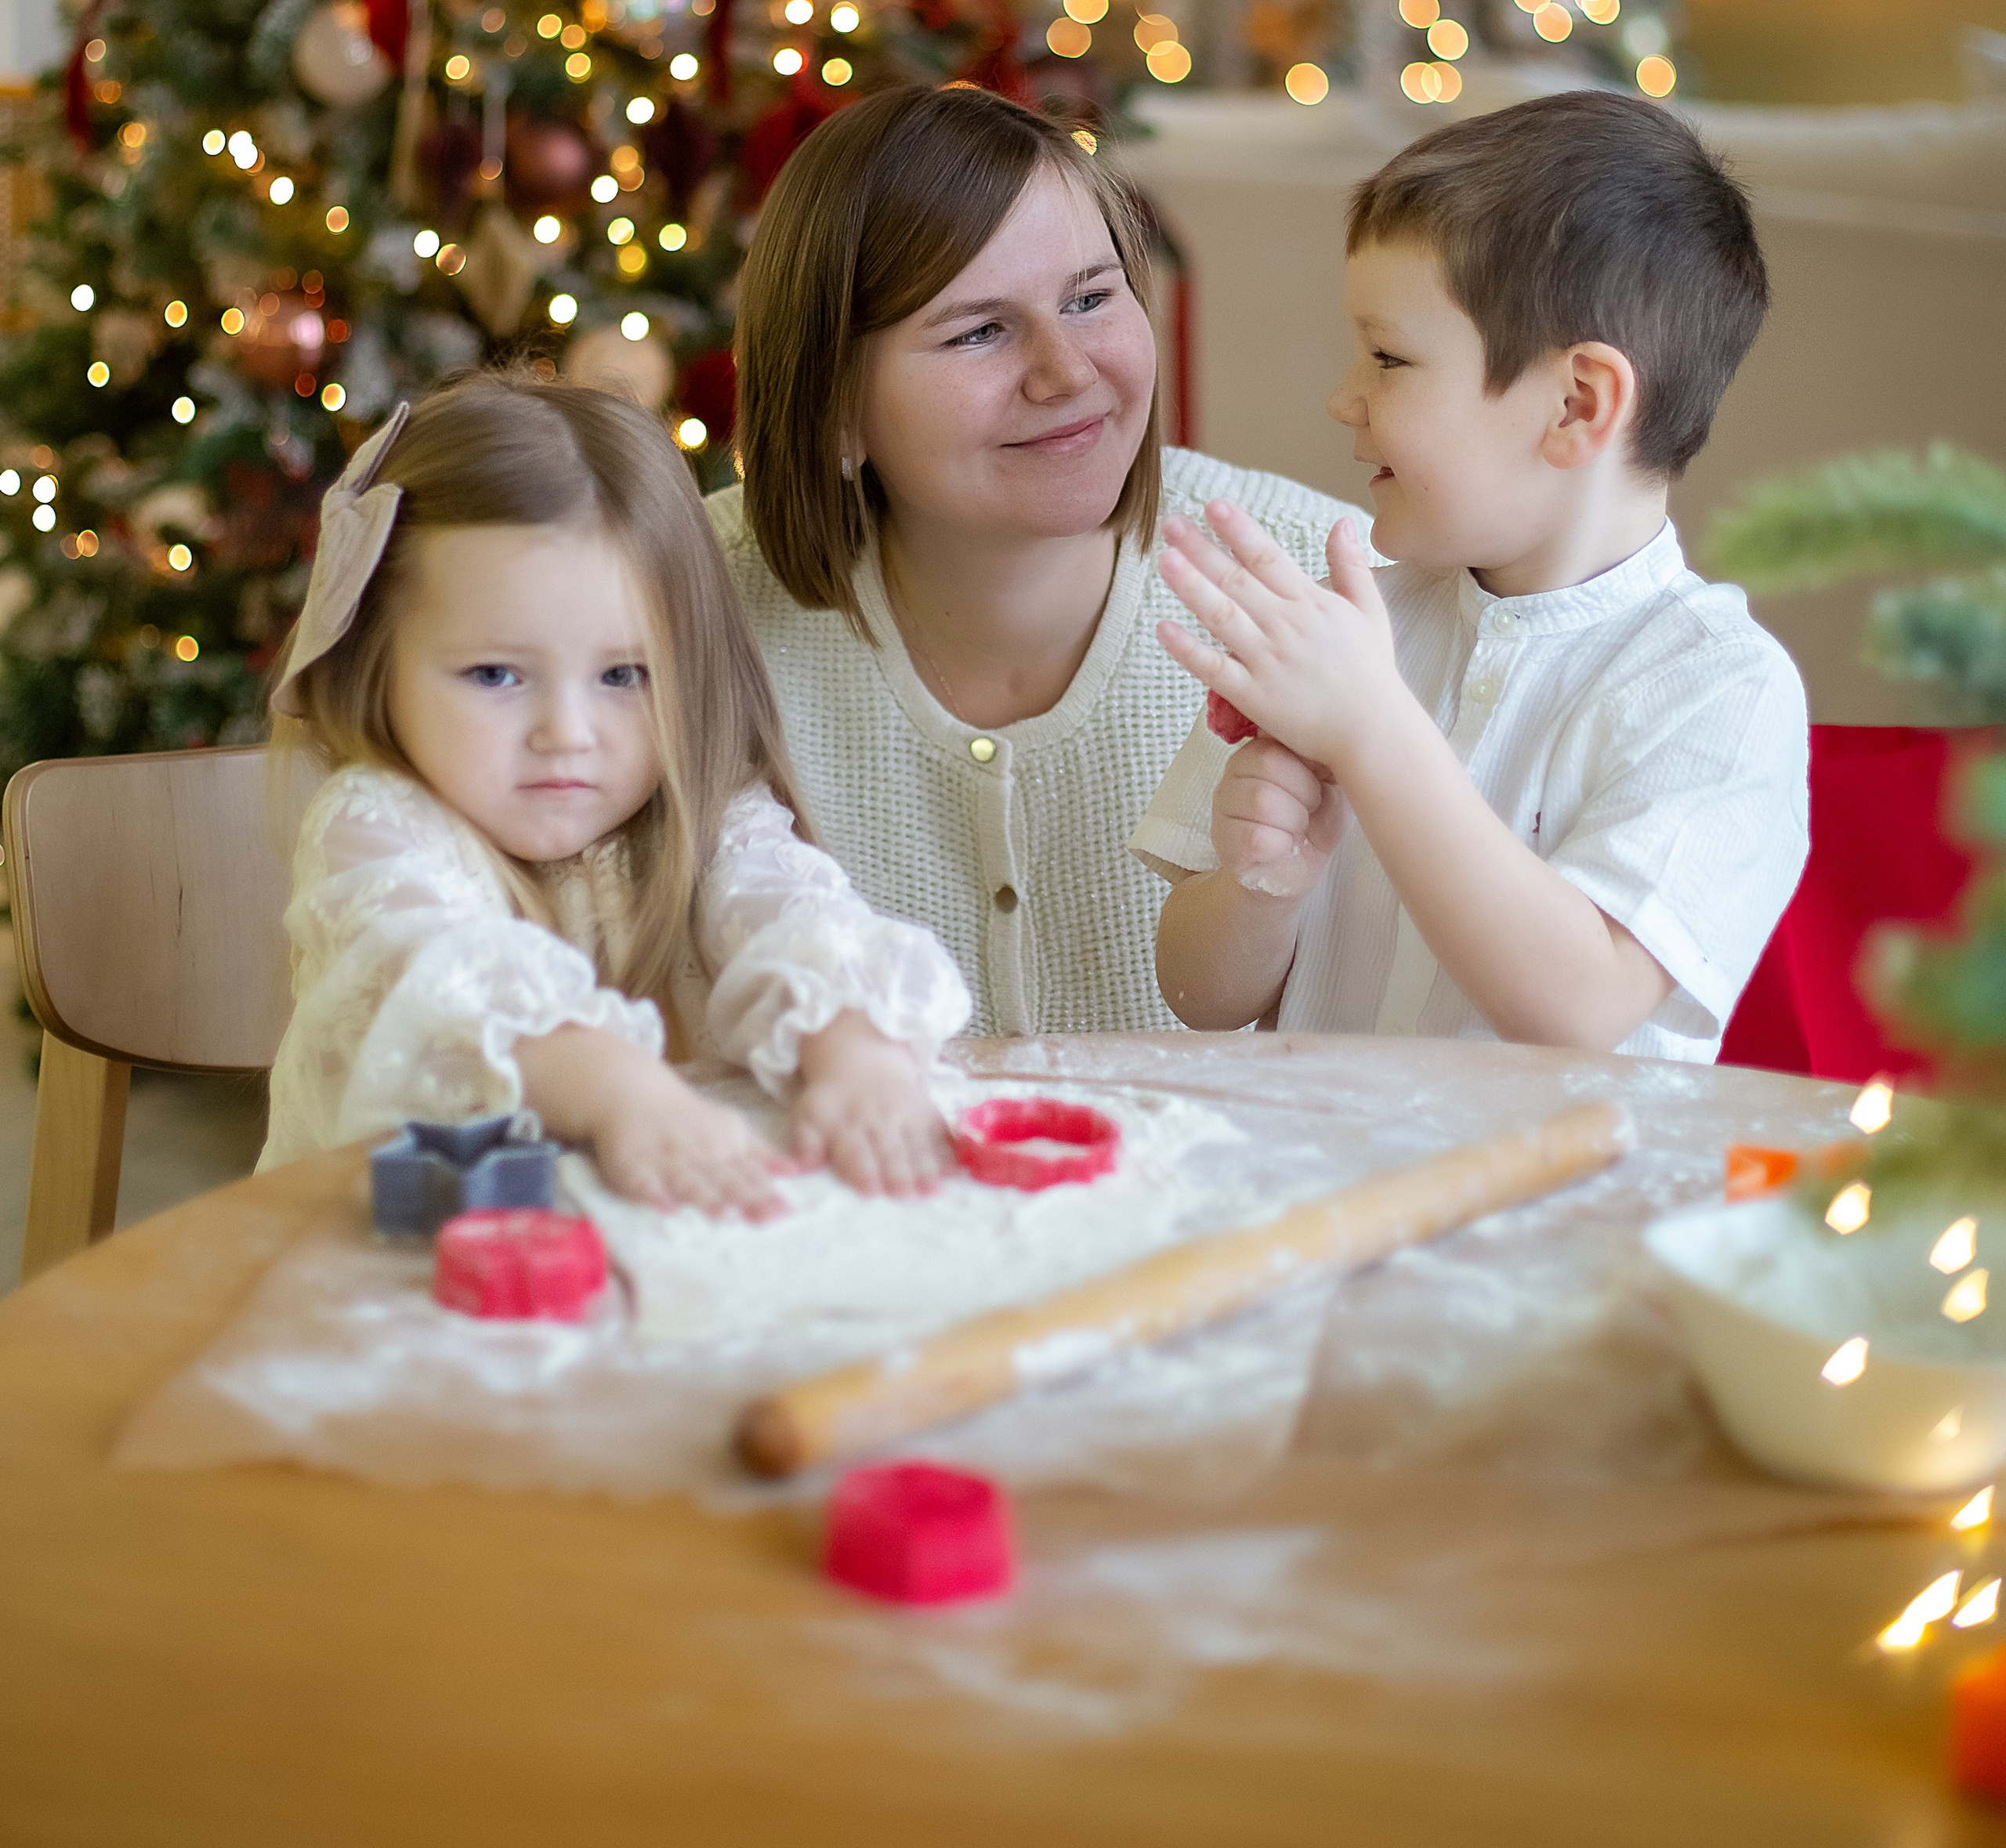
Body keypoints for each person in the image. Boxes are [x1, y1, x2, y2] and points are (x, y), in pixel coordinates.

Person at [1137, 92, 1809, 1061]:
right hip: (1320, 1189)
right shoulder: (1353, 632)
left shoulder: (1717, 692)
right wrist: (1258, 881)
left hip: (1559, 1212)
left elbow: (1580, 1009)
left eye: (1389, 358)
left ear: (1575, 404)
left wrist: (1373, 733)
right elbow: (1201, 996)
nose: (1343, 398)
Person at [716, 85, 1366, 1039]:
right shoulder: (681, 600)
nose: (1067, 373)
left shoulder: (1331, 585)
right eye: (979, 331)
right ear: (833, 404)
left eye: (1092, 298)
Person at [259, 372, 968, 1209]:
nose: (567, 732)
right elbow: (447, 979)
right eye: (495, 674)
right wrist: (628, 1093)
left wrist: (856, 1053)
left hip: (626, 1251)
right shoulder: (374, 824)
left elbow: (790, 913)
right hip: (389, 1267)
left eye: (624, 674)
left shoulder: (700, 811)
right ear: (377, 667)